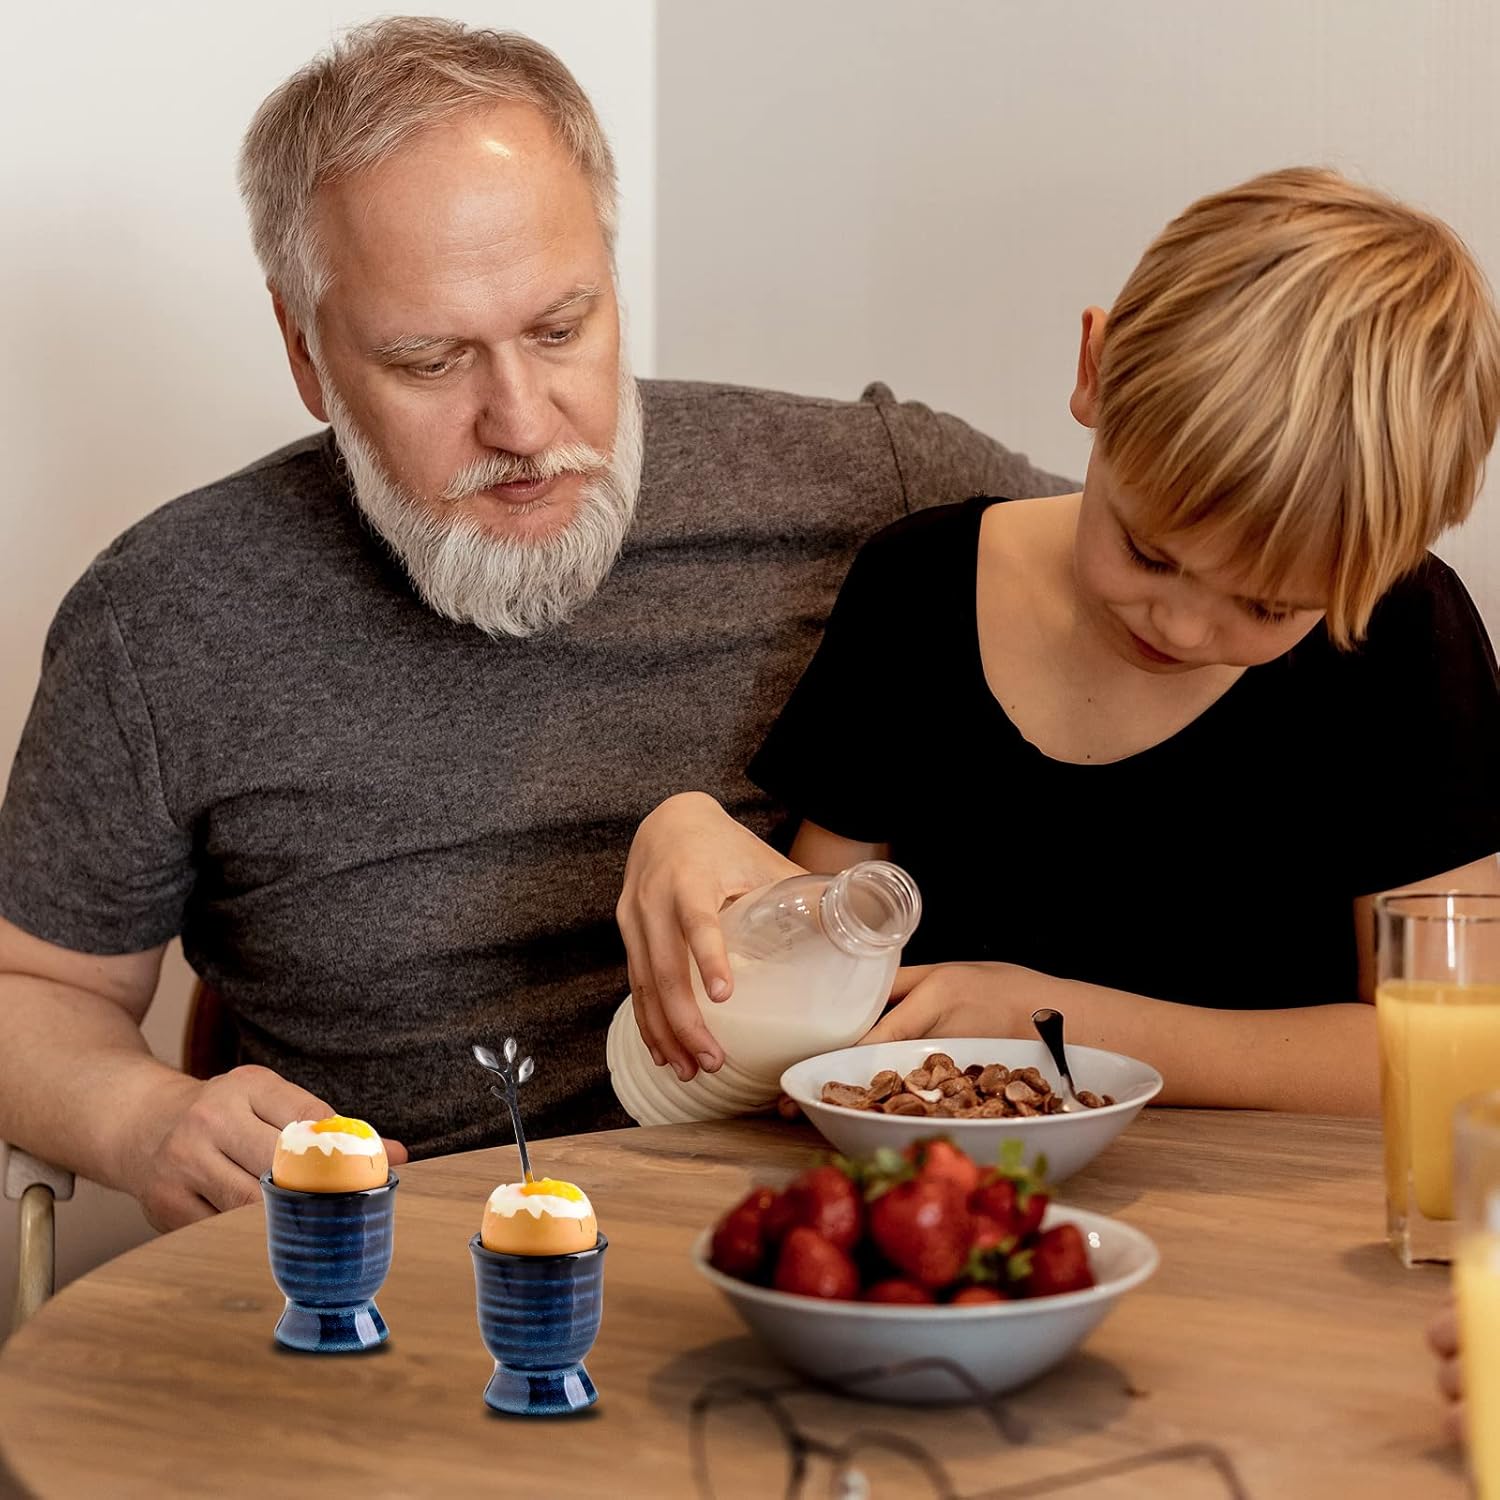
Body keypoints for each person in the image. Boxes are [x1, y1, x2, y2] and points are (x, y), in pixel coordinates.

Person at [0, 18, 1070, 1232]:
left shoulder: (867, 488)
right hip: (414, 1276)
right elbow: (30, 985)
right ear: (307, 356)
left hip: (838, 1241)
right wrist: (140, 1117)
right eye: (430, 360)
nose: (521, 419)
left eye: (563, 330)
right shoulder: (167, 616)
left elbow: (1202, 589)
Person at [618, 169, 1500, 1115]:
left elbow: (1457, 1055)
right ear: (1095, 371)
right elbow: (823, 958)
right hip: (954, 1206)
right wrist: (689, 836)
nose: (1183, 626)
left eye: (1269, 608)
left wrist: (1051, 1025)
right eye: (1149, 553)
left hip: (1274, 1232)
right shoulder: (918, 590)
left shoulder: (1400, 636)